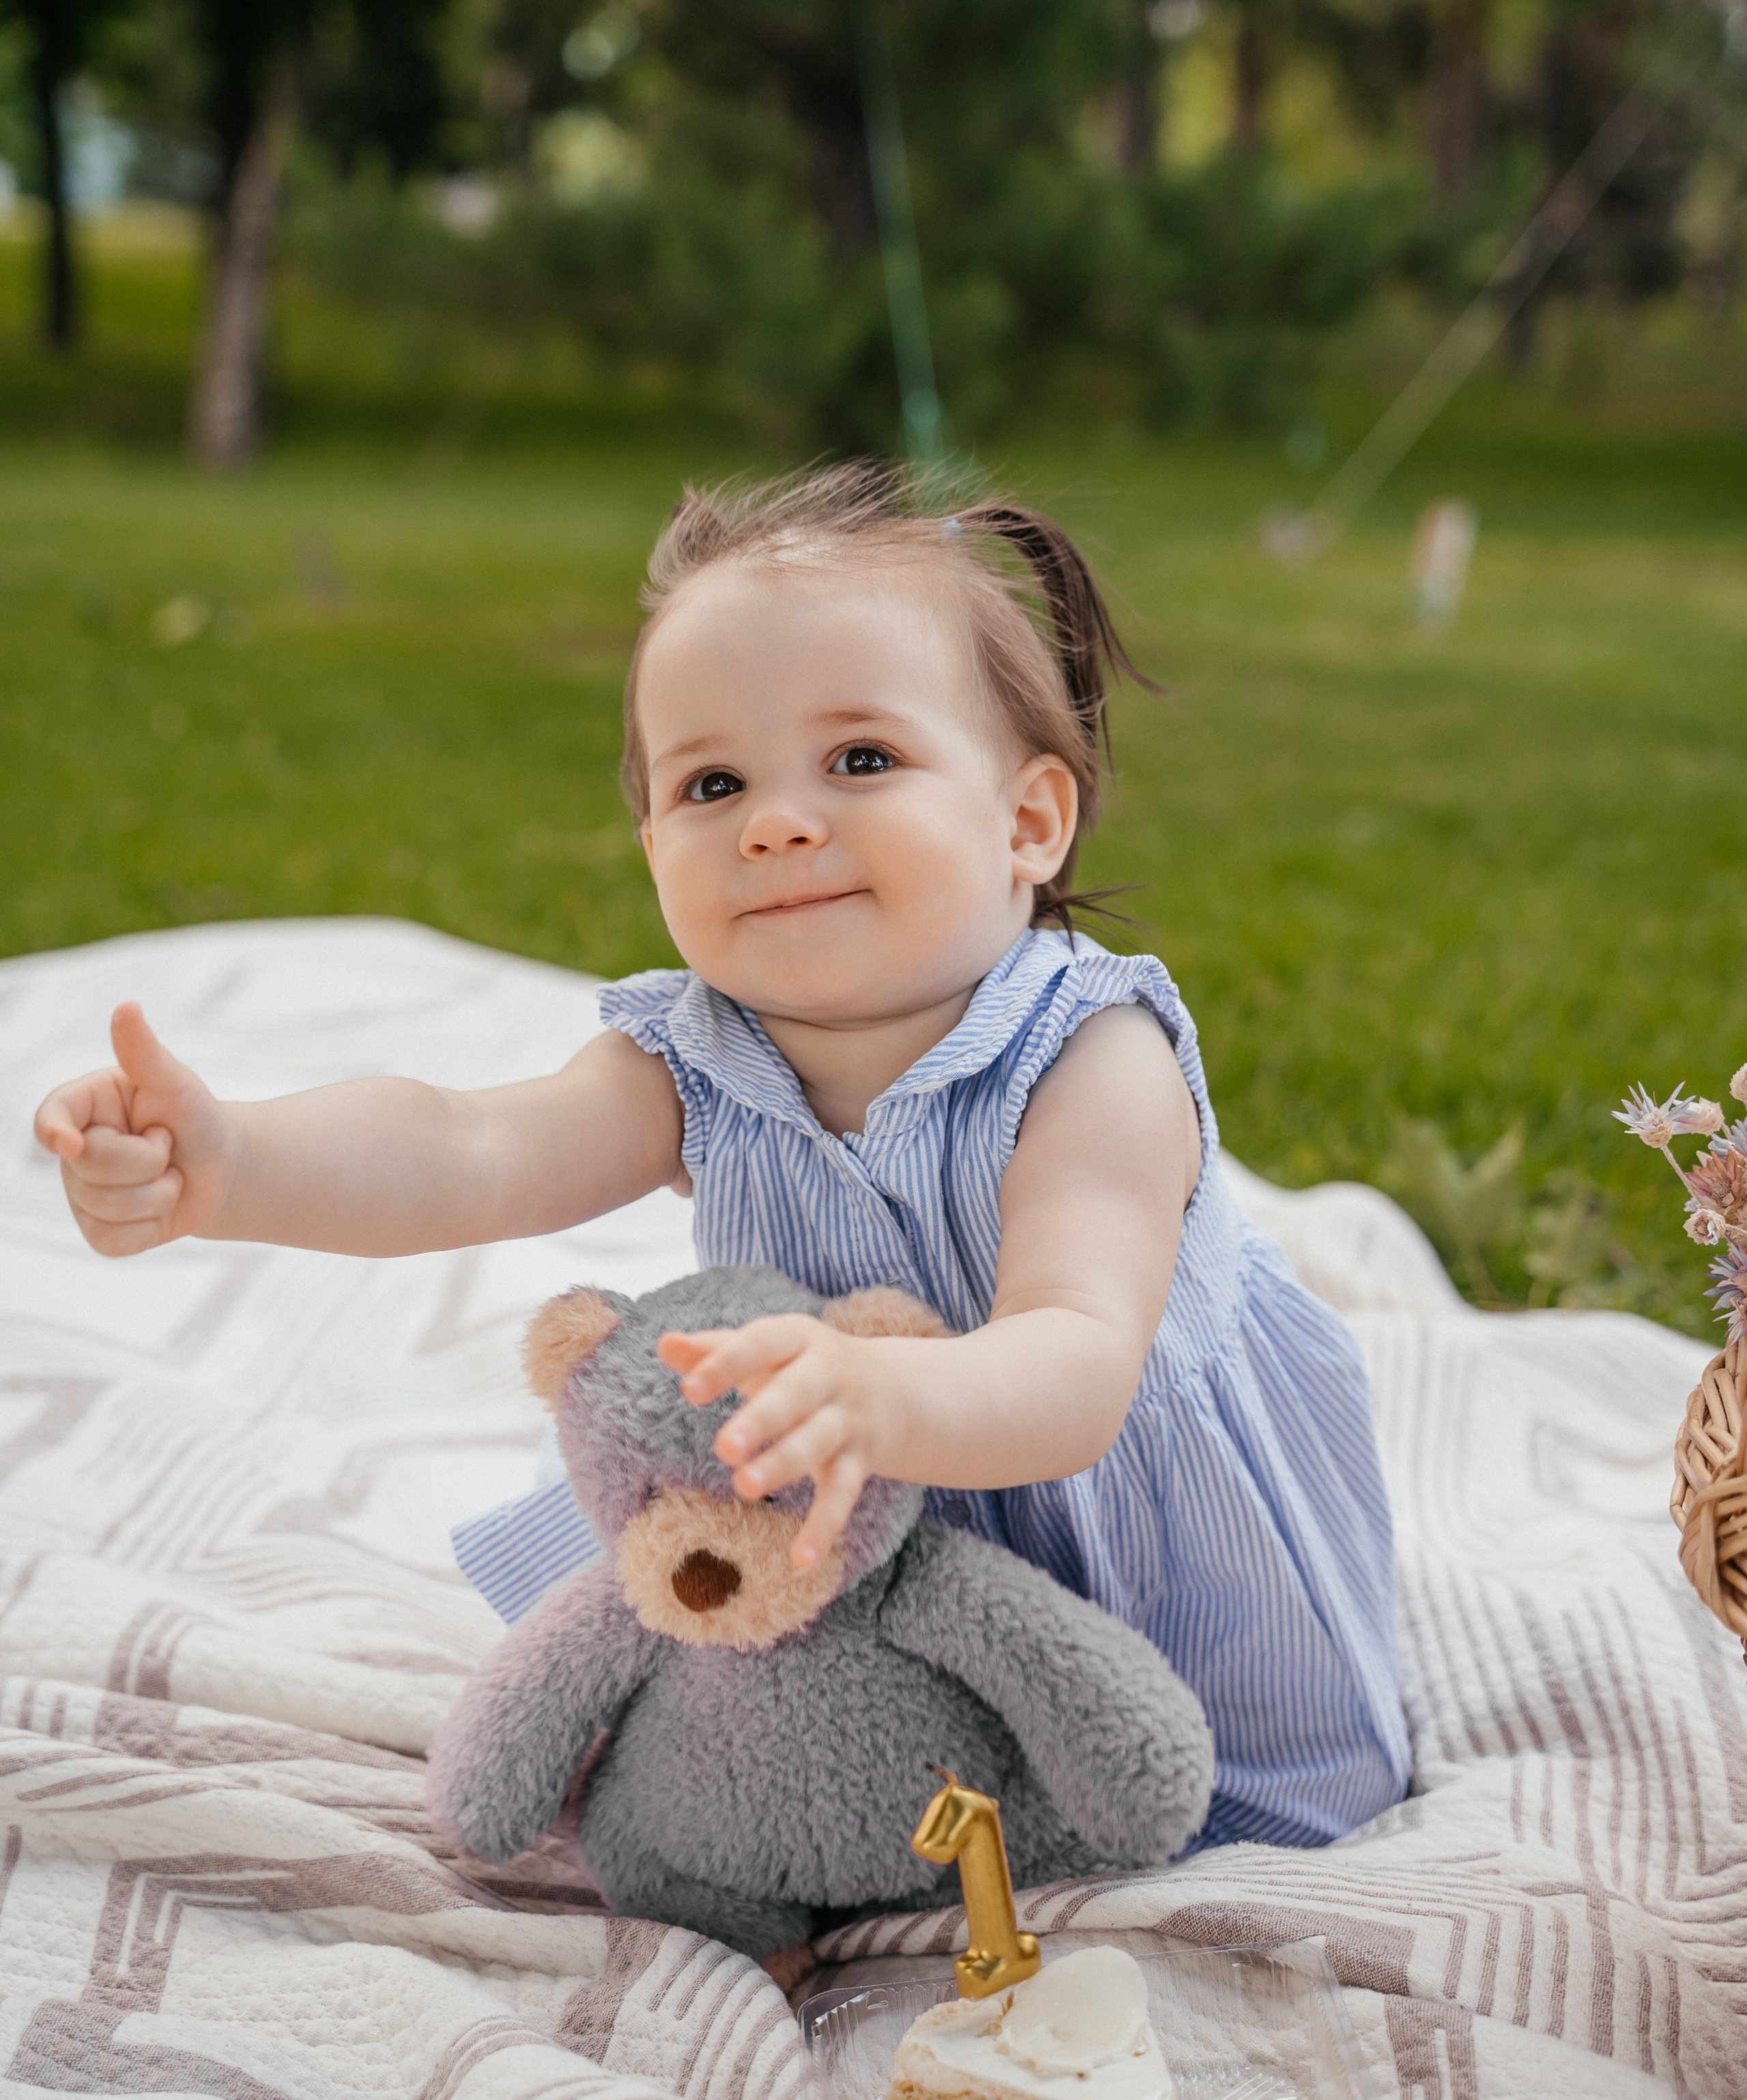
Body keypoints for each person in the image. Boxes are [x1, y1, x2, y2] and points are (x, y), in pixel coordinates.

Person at [33, 464, 1409, 1849]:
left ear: (1027, 822)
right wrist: (235, 1162)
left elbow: (1077, 1357)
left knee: (1194, 1806)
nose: (776, 819)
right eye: (711, 783)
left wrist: (883, 1391)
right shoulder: (696, 1058)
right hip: (839, 1530)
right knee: (781, 1777)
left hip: (1133, 1542)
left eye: (860, 760)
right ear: (651, 850)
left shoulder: (1089, 1057)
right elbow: (469, 1145)